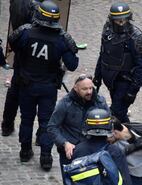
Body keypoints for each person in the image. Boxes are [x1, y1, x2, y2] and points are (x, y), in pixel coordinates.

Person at [8, 0, 79, 170]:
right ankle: (46, 157)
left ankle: (25, 151)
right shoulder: (61, 38)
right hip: (48, 87)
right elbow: (73, 64)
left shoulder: (26, 33)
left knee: (26, 119)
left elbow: (13, 44)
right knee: (46, 122)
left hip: (27, 85)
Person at [48, 74, 109, 185]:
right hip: (71, 152)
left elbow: (108, 122)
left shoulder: (100, 101)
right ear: (76, 88)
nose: (89, 91)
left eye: (91, 88)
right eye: (85, 89)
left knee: (97, 184)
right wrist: (64, 143)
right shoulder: (65, 104)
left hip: (93, 151)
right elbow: (52, 127)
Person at [93, 2, 142, 123]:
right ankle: (127, 135)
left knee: (117, 112)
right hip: (111, 79)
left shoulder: (136, 37)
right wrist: (97, 75)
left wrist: (133, 90)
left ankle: (128, 137)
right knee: (120, 113)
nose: (121, 23)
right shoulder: (107, 30)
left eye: (124, 20)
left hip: (125, 82)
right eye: (118, 20)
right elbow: (103, 53)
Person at [1, 0, 42, 136]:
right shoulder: (34, 5)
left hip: (20, 48)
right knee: (37, 95)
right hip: (34, 52)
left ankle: (7, 125)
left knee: (14, 90)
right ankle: (39, 134)